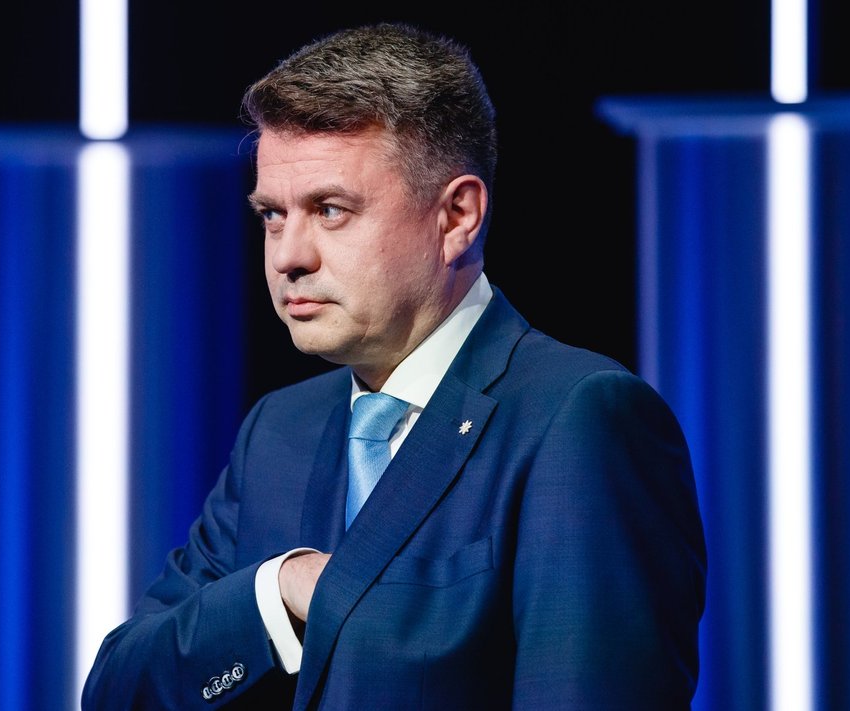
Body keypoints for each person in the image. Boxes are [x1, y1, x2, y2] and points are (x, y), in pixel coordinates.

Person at [83, 21, 706, 710]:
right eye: (272, 215)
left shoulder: (580, 419)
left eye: (330, 210)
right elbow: (117, 689)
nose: (289, 255)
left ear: (458, 216)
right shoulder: (278, 432)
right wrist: (276, 590)